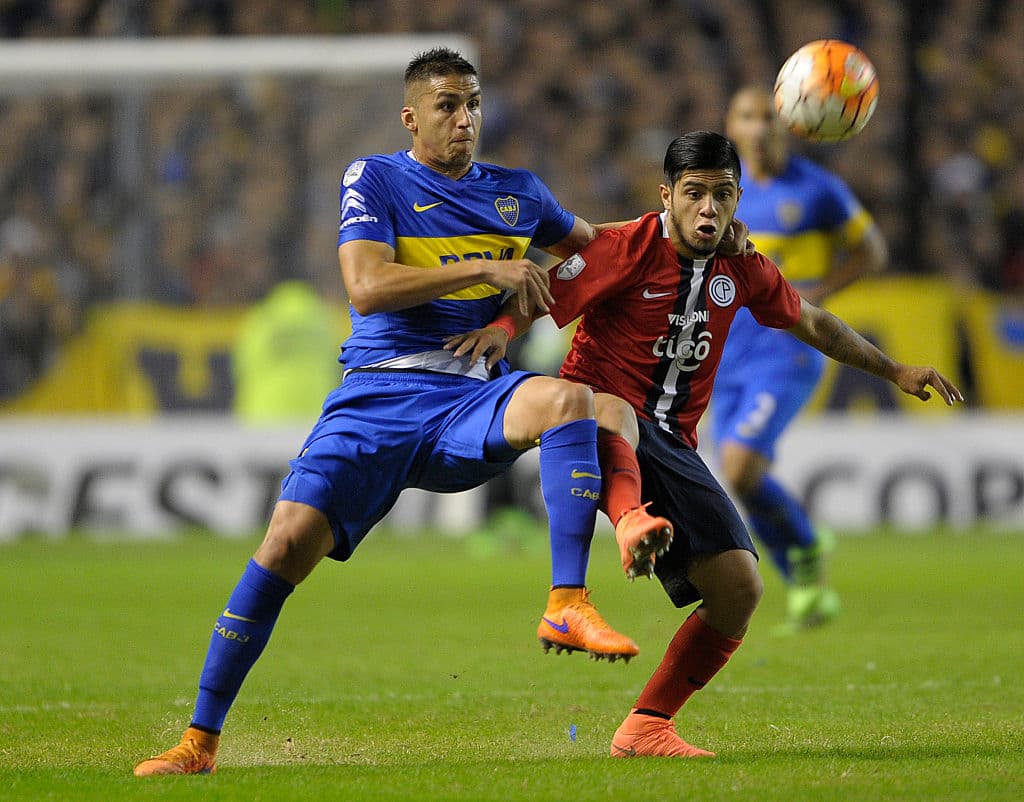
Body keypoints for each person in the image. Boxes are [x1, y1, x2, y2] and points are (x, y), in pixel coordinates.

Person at [133, 47, 670, 777]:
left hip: (467, 398)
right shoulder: (376, 177)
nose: (465, 119)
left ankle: (567, 600)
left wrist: (691, 234)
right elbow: (366, 287)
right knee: (285, 547)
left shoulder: (519, 193)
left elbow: (604, 251)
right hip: (378, 396)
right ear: (411, 118)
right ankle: (199, 742)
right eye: (447, 106)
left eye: (474, 103)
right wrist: (487, 269)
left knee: (569, 398)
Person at [447, 131, 961, 758]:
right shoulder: (626, 247)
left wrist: (895, 370)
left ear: (739, 198)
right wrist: (501, 328)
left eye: (722, 194)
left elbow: (813, 321)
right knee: (608, 409)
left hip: (674, 443)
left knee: (739, 589)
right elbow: (547, 291)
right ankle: (629, 522)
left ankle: (646, 725)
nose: (709, 210)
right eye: (694, 194)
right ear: (667, 196)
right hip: (599, 416)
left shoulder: (742, 266)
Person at [710, 86, 889, 629]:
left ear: (790, 124)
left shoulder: (818, 190)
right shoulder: (723, 194)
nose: (760, 128)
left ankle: (807, 546)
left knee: (739, 468)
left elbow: (873, 251)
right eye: (748, 118)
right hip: (727, 352)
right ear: (732, 127)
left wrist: (820, 292)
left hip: (788, 350)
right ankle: (807, 589)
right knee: (743, 476)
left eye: (769, 118)